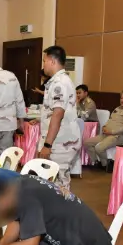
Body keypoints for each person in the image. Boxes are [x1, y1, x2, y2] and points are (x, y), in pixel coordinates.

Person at [34, 46, 81, 189]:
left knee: (59, 185)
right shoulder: (57, 81)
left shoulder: (59, 83)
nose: (43, 65)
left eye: (44, 61)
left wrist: (47, 145)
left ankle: (62, 205)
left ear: (52, 61)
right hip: (58, 140)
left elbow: (58, 114)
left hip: (61, 142)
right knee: (52, 182)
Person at [84, 90, 123, 169]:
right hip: (106, 134)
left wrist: (111, 132)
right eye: (121, 98)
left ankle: (105, 165)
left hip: (117, 136)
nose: (122, 100)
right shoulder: (118, 108)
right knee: (87, 143)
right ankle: (96, 162)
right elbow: (110, 120)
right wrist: (104, 127)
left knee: (99, 148)